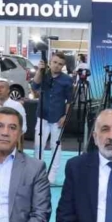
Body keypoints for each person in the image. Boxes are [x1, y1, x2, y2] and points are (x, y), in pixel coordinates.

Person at [30, 51, 72, 184]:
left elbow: (70, 101)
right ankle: (37, 174)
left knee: (56, 147)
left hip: (57, 118)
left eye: (60, 64)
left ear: (63, 66)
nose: (57, 65)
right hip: (42, 116)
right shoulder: (43, 74)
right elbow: (34, 86)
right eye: (55, 62)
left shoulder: (67, 80)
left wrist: (65, 116)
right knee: (38, 146)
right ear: (50, 62)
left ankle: (52, 176)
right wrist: (39, 70)